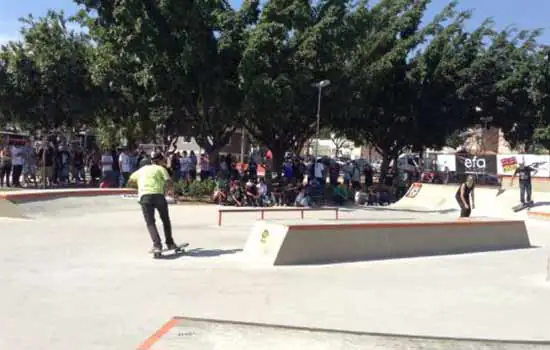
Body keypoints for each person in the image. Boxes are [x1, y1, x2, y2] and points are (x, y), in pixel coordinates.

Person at [128, 151, 179, 254]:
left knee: (150, 222)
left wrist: (139, 186)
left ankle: (157, 246)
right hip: (158, 196)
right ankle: (170, 243)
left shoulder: (140, 170)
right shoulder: (161, 169)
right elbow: (169, 181)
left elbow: (130, 182)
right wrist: (171, 192)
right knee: (165, 220)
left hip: (145, 197)